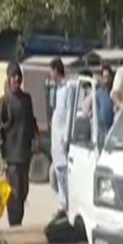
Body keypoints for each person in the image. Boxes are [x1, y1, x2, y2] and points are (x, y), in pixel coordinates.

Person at [0, 63, 38, 227]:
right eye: (13, 76)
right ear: (8, 78)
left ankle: (18, 221)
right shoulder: (4, 101)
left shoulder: (26, 99)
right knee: (13, 191)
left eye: (18, 76)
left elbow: (31, 121)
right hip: (11, 153)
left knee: (23, 190)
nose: (16, 79)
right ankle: (14, 223)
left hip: (24, 151)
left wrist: (36, 138)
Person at [48, 58, 73, 221]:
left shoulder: (68, 89)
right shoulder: (56, 90)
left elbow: (69, 113)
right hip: (55, 137)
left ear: (57, 71)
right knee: (58, 172)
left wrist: (66, 136)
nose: (50, 74)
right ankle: (62, 202)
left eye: (51, 71)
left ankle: (66, 204)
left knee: (64, 173)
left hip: (63, 137)